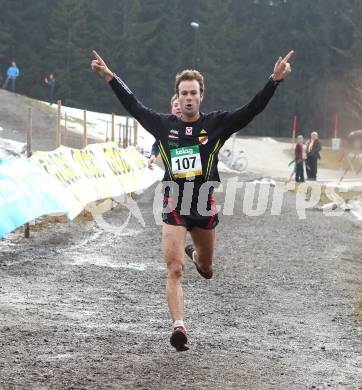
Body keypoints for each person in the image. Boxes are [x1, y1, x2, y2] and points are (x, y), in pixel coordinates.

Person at [91, 49, 293, 351]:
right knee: (174, 269)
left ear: (201, 96)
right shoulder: (163, 125)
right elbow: (133, 105)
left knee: (207, 269)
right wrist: (110, 77)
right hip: (174, 204)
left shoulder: (217, 125)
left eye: (193, 93)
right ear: (177, 96)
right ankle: (179, 327)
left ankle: (198, 256)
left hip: (203, 206)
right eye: (183, 93)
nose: (188, 98)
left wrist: (273, 81)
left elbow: (251, 110)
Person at [148, 94, 181, 169]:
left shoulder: (194, 125)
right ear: (172, 109)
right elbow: (157, 144)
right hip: (172, 172)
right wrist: (153, 155)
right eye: (175, 105)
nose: (178, 108)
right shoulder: (167, 126)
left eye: (181, 105)